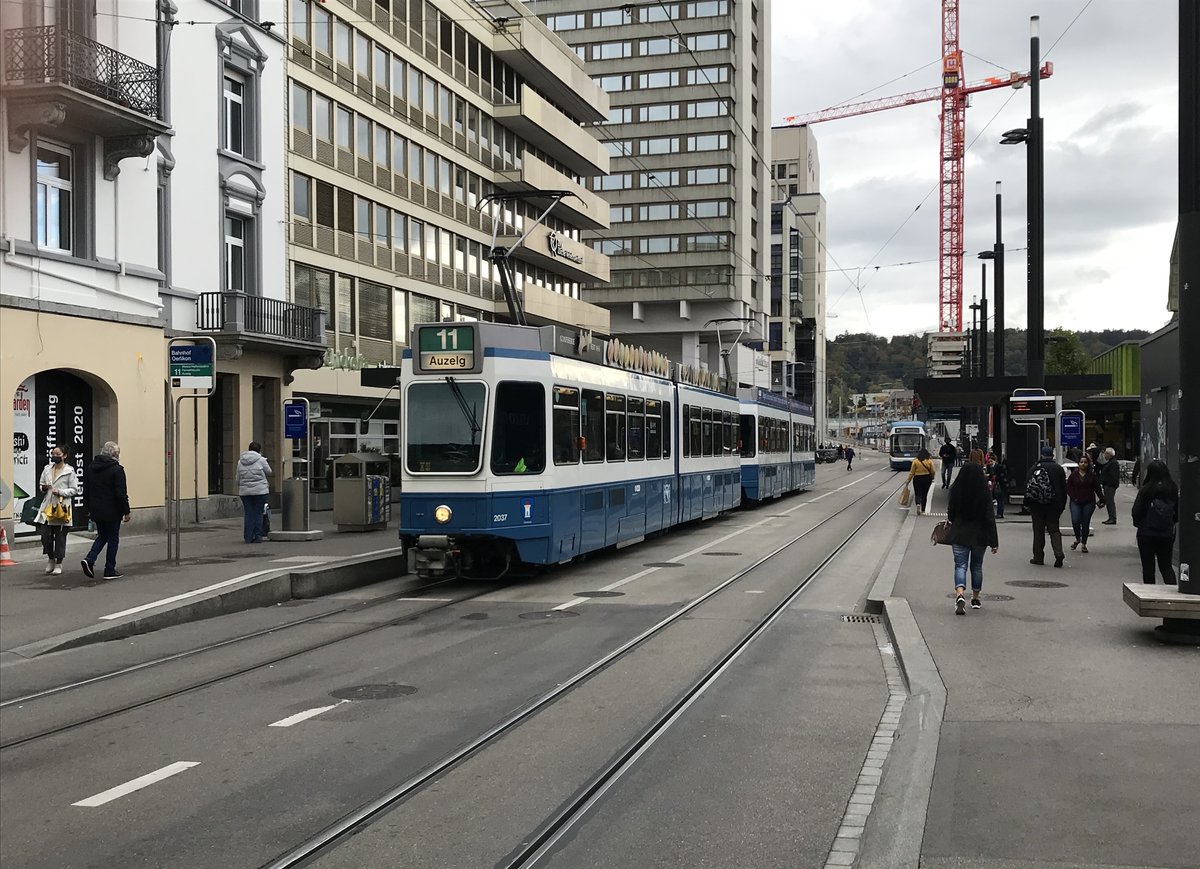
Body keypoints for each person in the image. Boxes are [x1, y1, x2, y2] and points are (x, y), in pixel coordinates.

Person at [946, 462, 999, 614]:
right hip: (979, 535)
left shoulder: (955, 490)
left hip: (960, 534)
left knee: (960, 565)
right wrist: (994, 541)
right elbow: (990, 518)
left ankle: (960, 594)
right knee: (976, 567)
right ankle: (975, 598)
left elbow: (951, 515)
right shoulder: (984, 492)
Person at [81, 441, 130, 580]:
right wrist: (126, 511)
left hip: (97, 509)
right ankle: (109, 569)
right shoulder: (117, 469)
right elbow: (120, 493)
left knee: (102, 535)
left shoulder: (91, 468)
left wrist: (89, 508)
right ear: (114, 454)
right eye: (118, 454)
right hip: (113, 510)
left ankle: (90, 559)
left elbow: (87, 490)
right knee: (113, 539)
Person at [1130, 459, 1178, 584]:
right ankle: (1172, 591)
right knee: (1166, 566)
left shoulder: (1146, 490)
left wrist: (1138, 523)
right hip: (1167, 533)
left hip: (1146, 532)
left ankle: (1150, 594)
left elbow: (1136, 511)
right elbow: (1177, 512)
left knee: (1148, 567)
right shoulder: (1172, 489)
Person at [35, 445, 78, 576]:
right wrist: (44, 488)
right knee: (45, 536)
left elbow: (74, 489)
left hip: (62, 508)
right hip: (47, 507)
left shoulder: (69, 471)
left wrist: (60, 491)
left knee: (60, 537)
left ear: (64, 456)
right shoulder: (47, 469)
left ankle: (59, 563)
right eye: (53, 453)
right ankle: (50, 558)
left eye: (58, 454)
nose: (54, 456)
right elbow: (41, 484)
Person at [1023, 445, 1068, 567]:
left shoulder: (1034, 468)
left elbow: (1028, 486)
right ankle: (1058, 555)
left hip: (1037, 505)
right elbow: (1064, 489)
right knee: (1054, 530)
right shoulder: (1058, 469)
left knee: (1038, 531)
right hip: (1054, 505)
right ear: (1052, 456)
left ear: (1041, 455)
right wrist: (1061, 505)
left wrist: (1026, 504)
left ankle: (1038, 557)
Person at [1065, 453, 1104, 554]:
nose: (1083, 464)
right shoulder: (1073, 475)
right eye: (1081, 462)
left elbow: (1097, 488)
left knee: (1085, 522)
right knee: (1075, 520)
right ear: (1078, 464)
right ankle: (1078, 538)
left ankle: (1084, 544)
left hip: (1089, 502)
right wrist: (1074, 497)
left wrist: (1102, 499)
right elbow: (1068, 488)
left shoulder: (1092, 476)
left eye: (1085, 462)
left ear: (1088, 464)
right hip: (1075, 501)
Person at [237, 441, 272, 544]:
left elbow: (237, 478)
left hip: (245, 492)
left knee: (248, 513)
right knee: (258, 513)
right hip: (260, 491)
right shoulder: (261, 460)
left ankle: (248, 537)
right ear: (259, 450)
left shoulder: (240, 461)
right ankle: (258, 536)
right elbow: (269, 471)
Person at [906, 448, 936, 514]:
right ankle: (923, 510)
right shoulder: (929, 461)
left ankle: (918, 504)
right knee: (925, 494)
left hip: (917, 478)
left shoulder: (915, 461)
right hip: (927, 478)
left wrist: (908, 480)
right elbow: (933, 471)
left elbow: (912, 472)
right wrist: (932, 477)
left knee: (917, 493)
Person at [1098, 447, 1121, 525]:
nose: (1104, 455)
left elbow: (1112, 476)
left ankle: (1112, 518)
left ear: (1109, 454)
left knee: (1110, 501)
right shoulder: (1110, 462)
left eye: (1105, 454)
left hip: (1110, 485)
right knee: (1108, 501)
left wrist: (1106, 482)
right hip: (1107, 485)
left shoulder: (1113, 463)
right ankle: (1111, 517)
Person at [989, 453, 1009, 518]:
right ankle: (999, 513)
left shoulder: (999, 467)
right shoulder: (990, 468)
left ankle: (1000, 513)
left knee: (1000, 500)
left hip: (1000, 486)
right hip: (994, 486)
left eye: (991, 461)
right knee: (998, 500)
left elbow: (1003, 475)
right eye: (989, 461)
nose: (990, 463)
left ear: (995, 461)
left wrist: (996, 477)